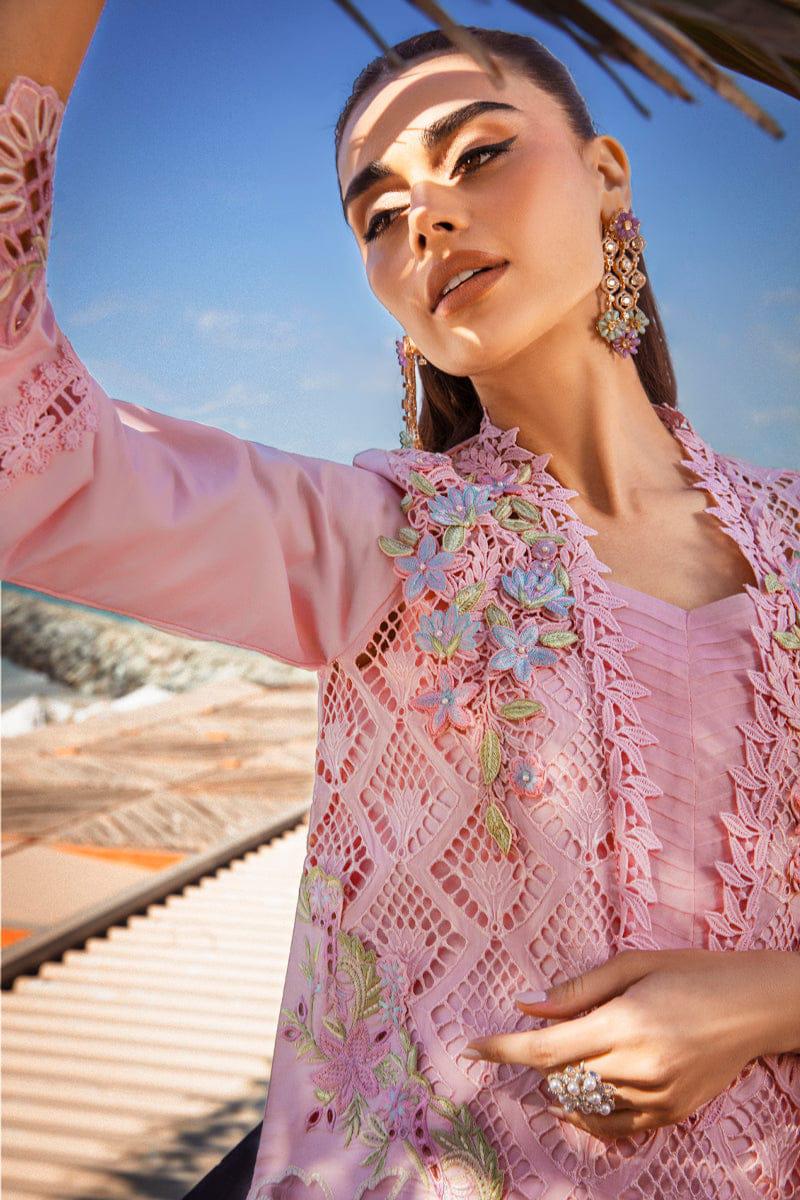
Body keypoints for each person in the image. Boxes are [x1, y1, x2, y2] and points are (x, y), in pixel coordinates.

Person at [1, 6, 798, 1198]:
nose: (422, 216)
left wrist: (762, 1000)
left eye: (476, 154)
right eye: (377, 215)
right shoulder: (377, 543)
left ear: (605, 175)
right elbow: (33, 459)